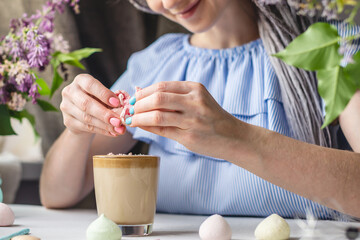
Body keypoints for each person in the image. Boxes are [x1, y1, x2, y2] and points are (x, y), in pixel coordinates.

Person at [40, 0, 360, 219]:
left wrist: (238, 138)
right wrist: (78, 127)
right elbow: (57, 194)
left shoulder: (331, 49)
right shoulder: (155, 63)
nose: (169, 1)